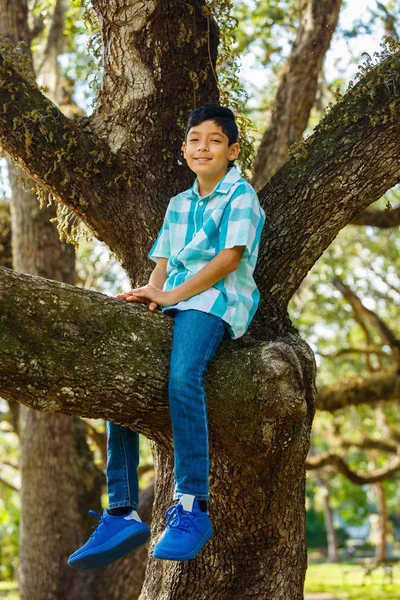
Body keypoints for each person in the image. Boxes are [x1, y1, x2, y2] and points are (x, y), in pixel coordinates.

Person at [68, 103, 265, 569]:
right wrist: (151, 293)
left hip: (213, 302)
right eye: (195, 139)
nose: (203, 147)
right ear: (183, 149)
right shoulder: (178, 204)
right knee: (119, 377)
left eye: (215, 140)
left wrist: (173, 292)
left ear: (232, 151)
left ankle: (194, 504)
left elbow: (228, 261)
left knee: (182, 379)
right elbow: (162, 263)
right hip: (174, 300)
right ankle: (120, 510)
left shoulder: (241, 196)